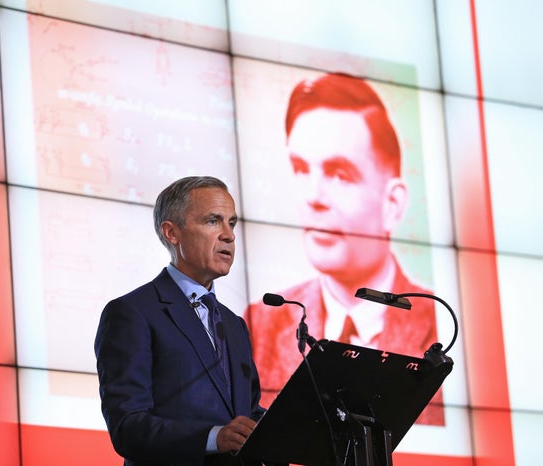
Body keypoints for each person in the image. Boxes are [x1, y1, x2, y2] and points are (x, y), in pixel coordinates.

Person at [244, 73, 444, 425]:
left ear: (393, 203)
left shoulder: (440, 324)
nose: (313, 197)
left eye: (339, 173)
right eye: (301, 169)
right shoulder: (259, 325)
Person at [95, 176, 265, 465]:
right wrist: (213, 438)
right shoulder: (132, 313)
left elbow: (248, 413)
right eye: (213, 221)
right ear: (172, 232)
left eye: (231, 223)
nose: (229, 235)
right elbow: (128, 426)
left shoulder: (234, 324)